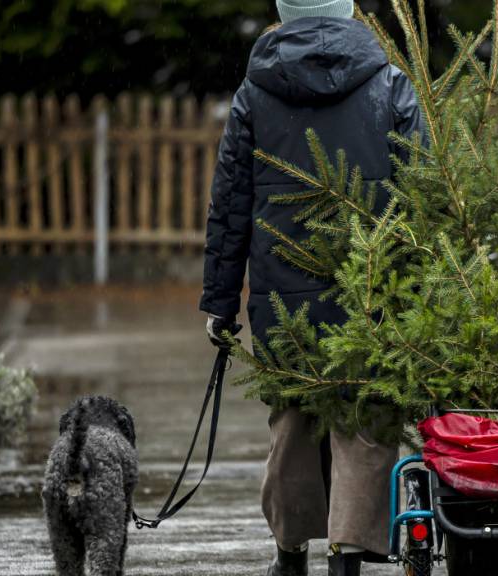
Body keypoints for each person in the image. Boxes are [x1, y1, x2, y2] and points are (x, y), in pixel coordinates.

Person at [199, 1, 424, 575]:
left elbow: (231, 205)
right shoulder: (389, 84)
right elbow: (423, 194)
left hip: (282, 290)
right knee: (366, 420)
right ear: (348, 8)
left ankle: (290, 552)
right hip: (373, 286)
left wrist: (221, 304)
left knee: (294, 418)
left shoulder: (256, 92)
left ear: (283, 11)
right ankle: (347, 556)